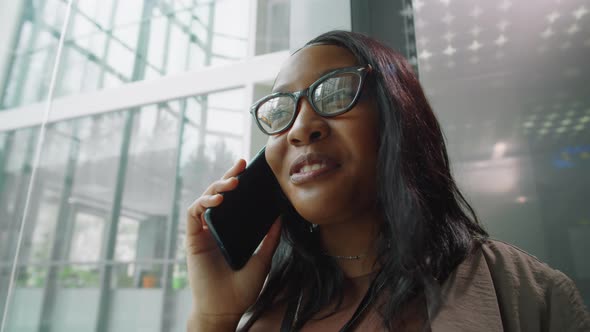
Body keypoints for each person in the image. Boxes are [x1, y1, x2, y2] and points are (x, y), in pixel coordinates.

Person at [186, 30, 590, 331]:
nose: (300, 127)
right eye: (279, 110)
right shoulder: (264, 310)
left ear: (399, 116)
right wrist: (213, 316)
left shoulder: (531, 295)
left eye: (335, 92)